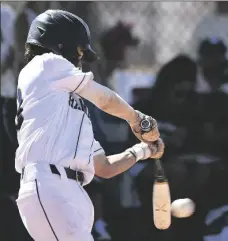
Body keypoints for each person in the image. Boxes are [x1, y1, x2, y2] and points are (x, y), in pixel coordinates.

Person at [15, 10, 164, 241]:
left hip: (69, 193)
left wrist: (143, 150)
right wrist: (137, 119)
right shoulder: (45, 63)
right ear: (60, 44)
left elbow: (104, 167)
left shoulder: (66, 112)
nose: (81, 58)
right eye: (79, 51)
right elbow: (104, 99)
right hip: (49, 185)